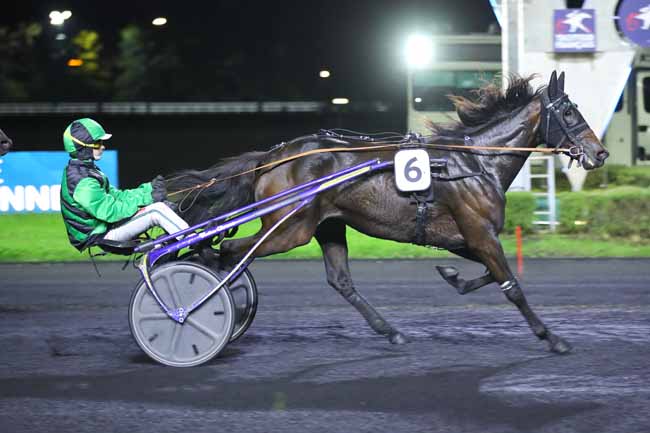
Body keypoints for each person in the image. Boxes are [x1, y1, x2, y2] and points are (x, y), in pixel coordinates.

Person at [60, 118, 189, 252]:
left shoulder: (86, 170)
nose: (103, 146)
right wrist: (149, 199)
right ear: (83, 147)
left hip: (106, 228)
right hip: (103, 235)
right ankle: (193, 239)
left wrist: (148, 190)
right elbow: (112, 211)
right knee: (156, 210)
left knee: (161, 206)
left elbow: (118, 196)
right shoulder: (84, 182)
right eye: (98, 143)